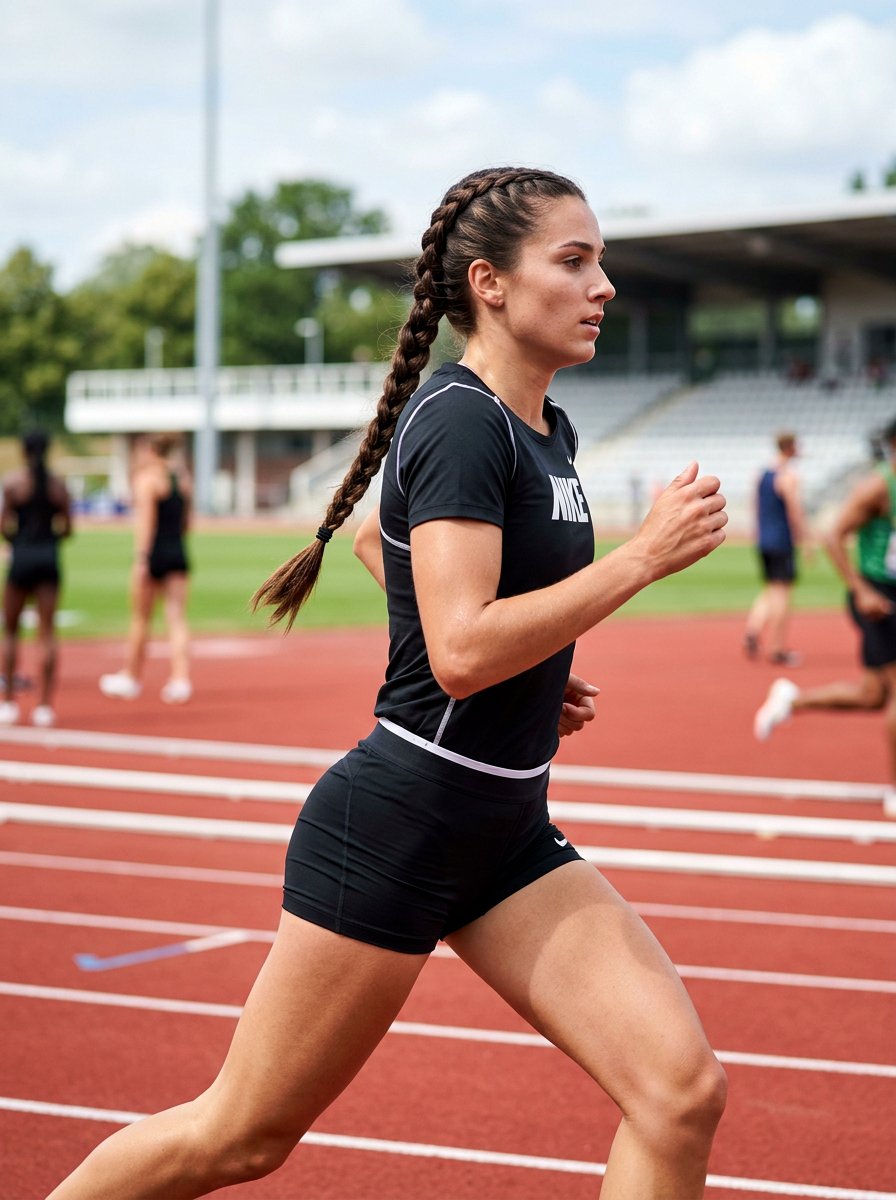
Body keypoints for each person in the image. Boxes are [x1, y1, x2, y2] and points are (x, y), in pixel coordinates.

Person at [49, 166, 728, 1199]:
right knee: (238, 1136)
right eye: (575, 259)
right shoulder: (462, 419)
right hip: (400, 823)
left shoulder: (549, 427)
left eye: (603, 261)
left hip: (502, 831)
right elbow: (457, 651)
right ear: (490, 283)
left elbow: (381, 541)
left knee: (678, 1093)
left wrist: (533, 666)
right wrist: (633, 562)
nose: (604, 286)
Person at [755, 416, 896, 817]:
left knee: (874, 695)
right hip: (877, 596)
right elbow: (833, 534)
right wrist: (860, 589)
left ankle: (792, 700)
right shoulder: (878, 488)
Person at [99, 432, 192, 704]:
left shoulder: (147, 480)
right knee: (176, 618)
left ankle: (131, 676)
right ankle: (180, 679)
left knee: (141, 617)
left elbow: (146, 523)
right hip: (177, 549)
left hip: (153, 553)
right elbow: (187, 523)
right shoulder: (183, 479)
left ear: (151, 450)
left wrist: (141, 559)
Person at [0, 429, 72, 727]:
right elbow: (67, 528)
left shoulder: (14, 484)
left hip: (23, 558)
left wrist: (18, 540)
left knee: (11, 631)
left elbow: (4, 526)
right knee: (47, 633)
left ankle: (8, 704)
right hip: (49, 559)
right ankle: (44, 706)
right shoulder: (58, 486)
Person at [743, 431, 810, 665]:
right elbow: (795, 511)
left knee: (771, 588)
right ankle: (777, 648)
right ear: (790, 447)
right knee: (783, 593)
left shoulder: (762, 475)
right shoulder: (788, 477)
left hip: (764, 539)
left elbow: (754, 505)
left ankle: (753, 628)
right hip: (782, 540)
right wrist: (806, 541)